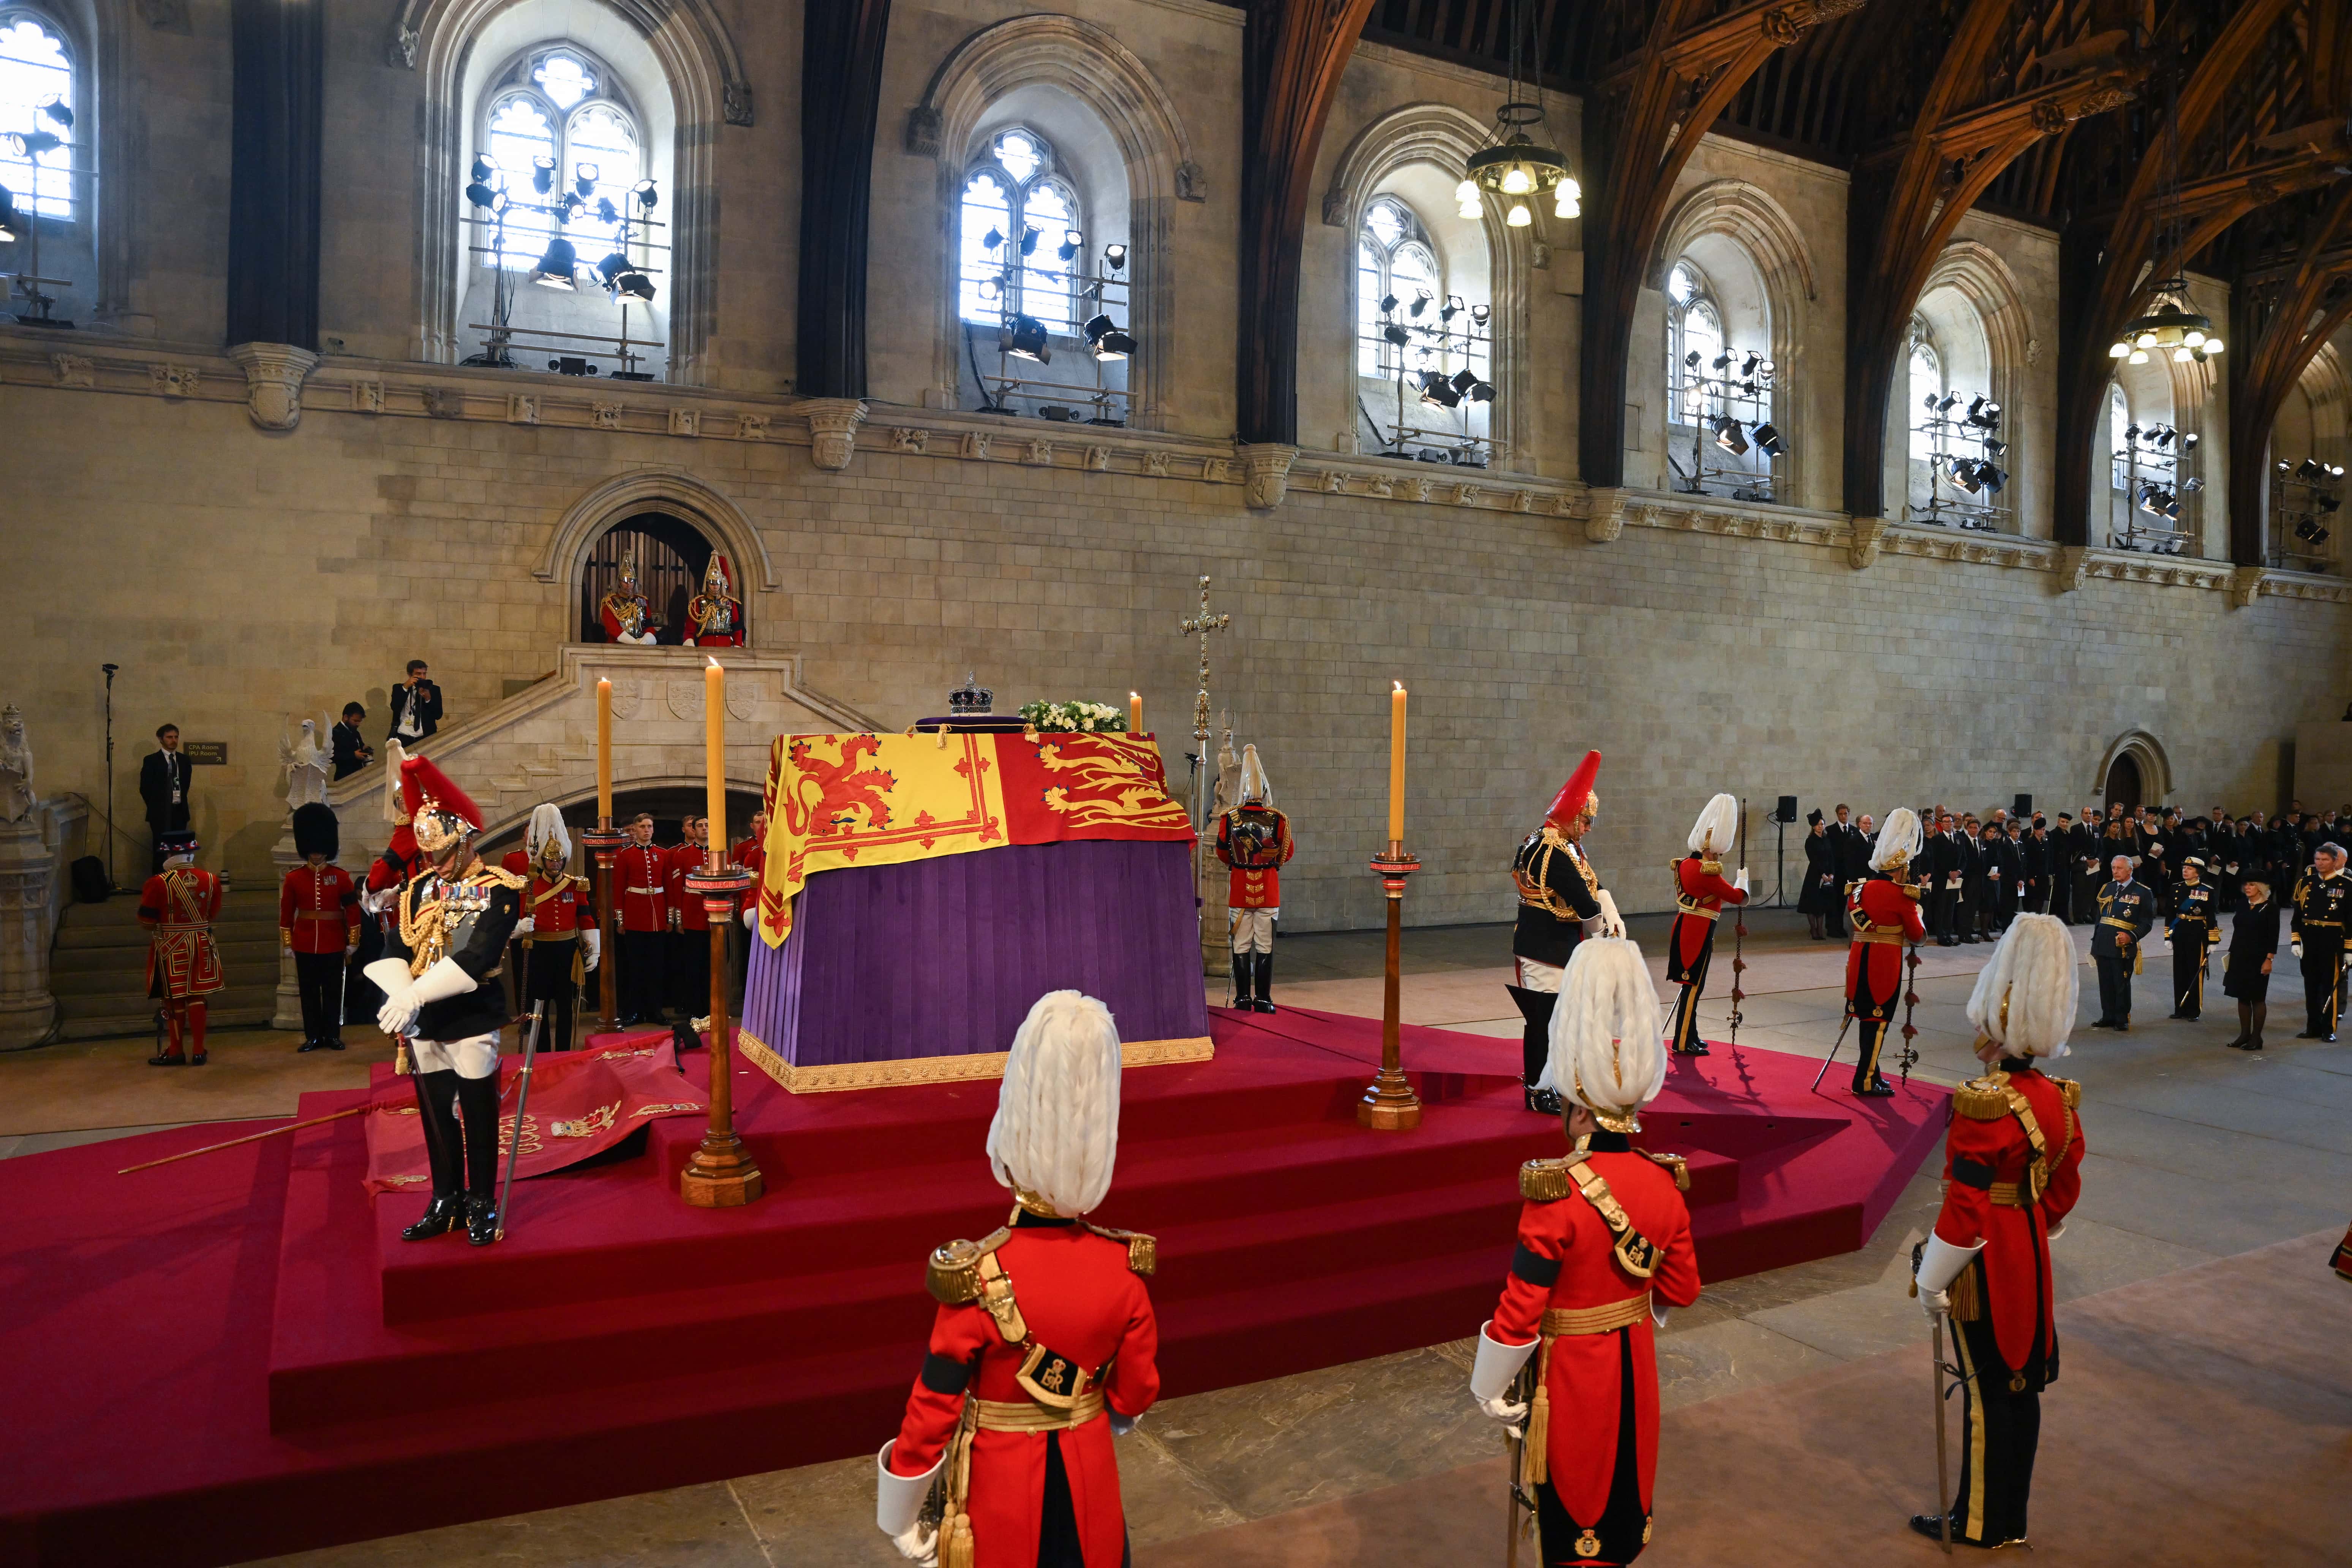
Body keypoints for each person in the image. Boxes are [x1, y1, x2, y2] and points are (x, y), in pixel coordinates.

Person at [873, 991, 1160, 1568]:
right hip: (1092, 1493)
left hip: (999, 1509)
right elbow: (1134, 1396)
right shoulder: (1122, 1267)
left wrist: (900, 1515)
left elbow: (935, 1406)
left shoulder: (978, 1275)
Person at [1468, 937, 1701, 1567]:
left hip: (1571, 1375)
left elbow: (1521, 1305)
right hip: (1635, 1367)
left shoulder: (1557, 1190)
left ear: (1577, 1108)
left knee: (1576, 1511)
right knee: (1624, 1501)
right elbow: (1680, 1289)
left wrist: (1488, 1383)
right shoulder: (1664, 1180)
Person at [1909, 913, 2086, 1551]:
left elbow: (1964, 1204)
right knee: (2021, 1388)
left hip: (1985, 1256)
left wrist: (1932, 1278)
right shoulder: (2055, 1098)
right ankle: (2009, 1516)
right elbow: (2063, 1189)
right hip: (2031, 1248)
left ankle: (1979, 1522)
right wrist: (2032, 1222)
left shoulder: (1984, 1103)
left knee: (1984, 1392)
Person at [363, 752, 525, 1248]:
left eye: (443, 851)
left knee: (477, 1113)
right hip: (423, 1020)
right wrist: (399, 992)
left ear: (466, 839)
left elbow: (476, 956)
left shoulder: (489, 889)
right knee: (436, 1114)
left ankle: (481, 1200)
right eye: (429, 854)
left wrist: (412, 994)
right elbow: (396, 947)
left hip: (470, 1015)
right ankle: (446, 1198)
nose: (434, 862)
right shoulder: (417, 889)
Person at [1509, 752, 1625, 1114]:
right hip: (1545, 947)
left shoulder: (1559, 843)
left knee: (1558, 1023)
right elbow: (1582, 901)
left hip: (1557, 945)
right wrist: (1602, 932)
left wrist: (1611, 910)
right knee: (1543, 1023)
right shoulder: (1552, 850)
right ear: (1573, 817)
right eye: (1586, 821)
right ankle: (1536, 1089)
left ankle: (1553, 1083)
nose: (1589, 828)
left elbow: (1592, 883)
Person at [1844, 808, 1927, 1096]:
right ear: (1899, 868)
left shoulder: (1858, 891)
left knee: (1865, 1018)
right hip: (1884, 965)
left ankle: (1872, 1072)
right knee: (1878, 1021)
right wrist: (1918, 913)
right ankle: (1865, 1080)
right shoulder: (1902, 895)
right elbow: (1917, 937)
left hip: (1858, 960)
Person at [1213, 745, 1294, 1013]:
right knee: (1266, 946)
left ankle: (1242, 999)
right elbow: (1286, 853)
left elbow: (1222, 854)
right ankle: (1263, 999)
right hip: (1268, 890)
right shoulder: (1278, 819)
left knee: (1241, 945)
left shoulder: (1229, 819)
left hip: (1239, 889)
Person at [1665, 793, 1746, 1054]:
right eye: (1717, 850)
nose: (1719, 855)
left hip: (1686, 925)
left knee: (1692, 987)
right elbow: (1736, 898)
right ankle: (1682, 1041)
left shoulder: (1684, 865)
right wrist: (1742, 879)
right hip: (1699, 930)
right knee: (1693, 987)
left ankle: (1691, 1034)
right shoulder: (1705, 870)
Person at [514, 804, 597, 1053]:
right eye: (551, 860)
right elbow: (516, 917)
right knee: (539, 1006)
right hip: (539, 951)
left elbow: (585, 918)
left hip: (567, 952)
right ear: (544, 860)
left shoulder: (576, 885)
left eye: (559, 860)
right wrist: (519, 928)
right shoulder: (527, 885)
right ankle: (541, 1053)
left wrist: (594, 950)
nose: (556, 864)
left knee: (566, 1006)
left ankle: (564, 1052)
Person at [280, 803, 360, 1053]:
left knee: (333, 992)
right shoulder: (294, 878)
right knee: (309, 993)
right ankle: (313, 1036)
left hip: (334, 941)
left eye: (319, 850)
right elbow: (286, 913)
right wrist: (288, 943)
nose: (316, 854)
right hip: (304, 942)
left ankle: (332, 1035)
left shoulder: (342, 877)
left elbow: (353, 910)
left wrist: (353, 940)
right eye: (312, 850)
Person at [139, 828, 223, 1065]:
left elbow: (146, 921)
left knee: (174, 1000)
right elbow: (212, 914)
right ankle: (198, 1050)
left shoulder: (157, 883)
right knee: (197, 996)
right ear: (191, 853)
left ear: (168, 855)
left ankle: (176, 1050)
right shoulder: (211, 880)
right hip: (202, 943)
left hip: (171, 947)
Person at [2291, 842, 2351, 1042]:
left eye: (2325, 860)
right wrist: (2295, 940)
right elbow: (2297, 915)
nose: (2320, 863)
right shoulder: (2306, 883)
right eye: (2317, 859)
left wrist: (2349, 948)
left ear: (2335, 862)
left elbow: (2351, 920)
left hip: (2332, 940)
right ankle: (2313, 1026)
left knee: (2329, 986)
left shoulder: (2346, 885)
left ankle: (2328, 1029)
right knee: (2311, 984)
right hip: (2309, 938)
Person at [2090, 854, 2157, 1031]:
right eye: (2113, 868)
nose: (2115, 872)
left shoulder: (2142, 892)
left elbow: (2147, 923)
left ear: (2130, 870)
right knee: (2105, 982)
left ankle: (2121, 1018)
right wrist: (2095, 943)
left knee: (2121, 983)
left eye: (2119, 868)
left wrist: (2131, 936)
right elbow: (2100, 918)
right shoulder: (2107, 888)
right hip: (2103, 943)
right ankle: (2108, 1016)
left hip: (2123, 946)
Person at [616, 812, 669, 1025]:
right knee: (636, 968)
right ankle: (634, 1011)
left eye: (650, 827)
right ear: (635, 830)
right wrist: (621, 920)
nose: (647, 830)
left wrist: (670, 918)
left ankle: (655, 1011)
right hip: (635, 916)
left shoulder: (663, 854)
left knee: (656, 968)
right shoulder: (625, 855)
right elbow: (619, 888)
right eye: (643, 827)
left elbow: (668, 887)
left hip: (657, 916)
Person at [666, 814, 714, 1021]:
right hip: (692, 915)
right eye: (700, 826)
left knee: (714, 966)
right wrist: (679, 920)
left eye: (707, 825)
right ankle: (696, 1009)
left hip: (714, 916)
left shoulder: (720, 853)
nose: (704, 829)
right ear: (693, 831)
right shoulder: (682, 854)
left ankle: (714, 1008)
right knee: (694, 966)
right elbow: (677, 890)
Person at [2223, 874, 2279, 1051]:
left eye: (2252, 885)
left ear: (2261, 888)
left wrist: (2269, 960)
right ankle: (2244, 1034)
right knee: (2242, 996)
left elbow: (2273, 936)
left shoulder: (2271, 908)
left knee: (2257, 997)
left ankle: (2257, 1038)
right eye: (2246, 885)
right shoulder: (2242, 905)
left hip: (2259, 957)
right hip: (2239, 955)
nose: (2247, 888)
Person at [2167, 855, 2219, 1022]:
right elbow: (2170, 914)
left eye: (2189, 869)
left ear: (2198, 873)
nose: (2185, 871)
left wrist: (2213, 940)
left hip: (2197, 935)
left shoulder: (2207, 891)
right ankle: (2180, 1008)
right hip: (2179, 933)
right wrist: (2167, 936)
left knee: (2194, 972)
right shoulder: (2175, 888)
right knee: (2180, 972)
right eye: (2184, 868)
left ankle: (2194, 1009)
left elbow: (2211, 917)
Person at [139, 723, 192, 876]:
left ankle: (179, 881)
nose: (174, 740)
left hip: (179, 812)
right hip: (160, 813)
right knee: (161, 849)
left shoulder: (184, 760)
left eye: (176, 737)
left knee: (180, 849)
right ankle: (160, 882)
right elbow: (145, 788)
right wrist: (157, 806)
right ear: (161, 739)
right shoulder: (151, 760)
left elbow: (186, 785)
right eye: (170, 737)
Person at [684, 553, 744, 647]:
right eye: (712, 583)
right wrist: (690, 644)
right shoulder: (697, 603)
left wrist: (738, 645)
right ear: (707, 584)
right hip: (705, 645)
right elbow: (690, 629)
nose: (715, 586)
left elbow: (737, 628)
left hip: (725, 646)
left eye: (718, 583)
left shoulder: (731, 603)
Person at [1798, 809, 1840, 942]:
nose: (1820, 827)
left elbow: (1832, 857)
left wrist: (1832, 873)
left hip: (1828, 874)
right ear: (1813, 827)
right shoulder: (1810, 841)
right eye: (1818, 825)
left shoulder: (1827, 839)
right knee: (1812, 904)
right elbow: (1814, 860)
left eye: (1822, 824)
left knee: (1822, 905)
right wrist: (1822, 874)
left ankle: (1820, 930)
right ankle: (1814, 929)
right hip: (1814, 876)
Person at [1924, 812, 1963, 947]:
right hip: (1942, 879)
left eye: (1949, 822)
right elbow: (1936, 860)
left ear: (1953, 823)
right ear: (1942, 824)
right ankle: (1941, 936)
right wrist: (1949, 873)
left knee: (1951, 909)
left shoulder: (1959, 839)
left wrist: (1958, 872)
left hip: (1955, 880)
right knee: (1941, 908)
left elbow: (1964, 858)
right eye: (1945, 822)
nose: (1947, 824)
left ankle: (1948, 935)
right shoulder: (1937, 839)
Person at [599, 553, 657, 645]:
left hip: (641, 645)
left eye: (631, 581)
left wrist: (646, 639)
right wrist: (633, 642)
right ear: (620, 582)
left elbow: (649, 626)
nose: (628, 585)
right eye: (625, 581)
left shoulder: (642, 601)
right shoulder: (610, 603)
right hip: (617, 646)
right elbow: (613, 629)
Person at [387, 660, 442, 745]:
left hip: (425, 736)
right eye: (418, 674)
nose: (422, 677)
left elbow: (438, 715)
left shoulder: (434, 690)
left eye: (424, 674)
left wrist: (428, 699)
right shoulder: (399, 688)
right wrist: (405, 687)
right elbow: (395, 708)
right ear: (410, 675)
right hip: (404, 735)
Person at [330, 702, 373, 779]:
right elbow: (332, 756)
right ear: (346, 717)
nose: (358, 724)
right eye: (356, 721)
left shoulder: (355, 732)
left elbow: (359, 748)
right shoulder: (335, 733)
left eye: (359, 721)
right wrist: (353, 755)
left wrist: (366, 749)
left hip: (359, 775)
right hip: (344, 777)